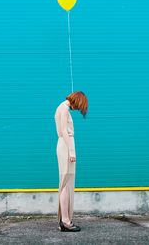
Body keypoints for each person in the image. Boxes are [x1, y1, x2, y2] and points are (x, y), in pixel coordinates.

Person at [54, 91, 88, 232]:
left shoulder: (62, 107)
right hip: (66, 147)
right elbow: (64, 131)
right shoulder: (64, 108)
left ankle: (64, 220)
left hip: (64, 145)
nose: (78, 109)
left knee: (66, 184)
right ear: (77, 101)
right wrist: (72, 152)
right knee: (65, 184)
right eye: (80, 106)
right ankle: (66, 221)